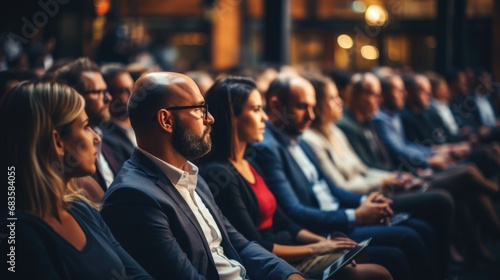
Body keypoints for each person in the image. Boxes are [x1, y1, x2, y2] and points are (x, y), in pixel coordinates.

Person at [100, 72, 304, 280]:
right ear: (166, 120)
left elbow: (239, 244)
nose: (210, 118)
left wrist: (288, 275)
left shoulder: (191, 175)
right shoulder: (133, 197)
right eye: (199, 109)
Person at [200, 76, 392, 279]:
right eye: (256, 110)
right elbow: (253, 245)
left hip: (291, 246)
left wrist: (324, 242)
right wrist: (316, 248)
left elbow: (286, 220)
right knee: (379, 273)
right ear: (232, 117)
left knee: (360, 256)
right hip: (273, 262)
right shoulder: (219, 173)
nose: (265, 118)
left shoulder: (249, 162)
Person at [251, 74, 440, 280]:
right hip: (321, 227)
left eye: (313, 107)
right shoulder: (268, 148)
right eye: (302, 107)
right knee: (405, 242)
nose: (311, 116)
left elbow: (331, 188)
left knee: (417, 228)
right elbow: (294, 212)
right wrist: (356, 215)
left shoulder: (300, 140)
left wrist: (364, 202)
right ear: (276, 105)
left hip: (338, 215)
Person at [301, 74, 456, 278]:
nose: (340, 101)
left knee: (422, 225)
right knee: (431, 210)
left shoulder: (334, 131)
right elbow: (339, 186)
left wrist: (394, 177)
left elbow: (363, 168)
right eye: (332, 98)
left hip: (366, 196)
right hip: (353, 205)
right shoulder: (311, 139)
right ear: (318, 105)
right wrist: (384, 183)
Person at [0, 81, 152, 279]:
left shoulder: (82, 208)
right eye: (86, 127)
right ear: (57, 142)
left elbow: (136, 275)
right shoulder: (17, 233)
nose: (96, 138)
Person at [52, 57, 130, 193]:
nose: (108, 98)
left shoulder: (105, 139)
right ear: (73, 95)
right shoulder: (69, 157)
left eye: (106, 91)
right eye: (98, 92)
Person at [101, 63, 137, 156]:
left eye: (132, 88)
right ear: (108, 96)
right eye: (122, 91)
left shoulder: (143, 124)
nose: (132, 95)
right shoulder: (105, 138)